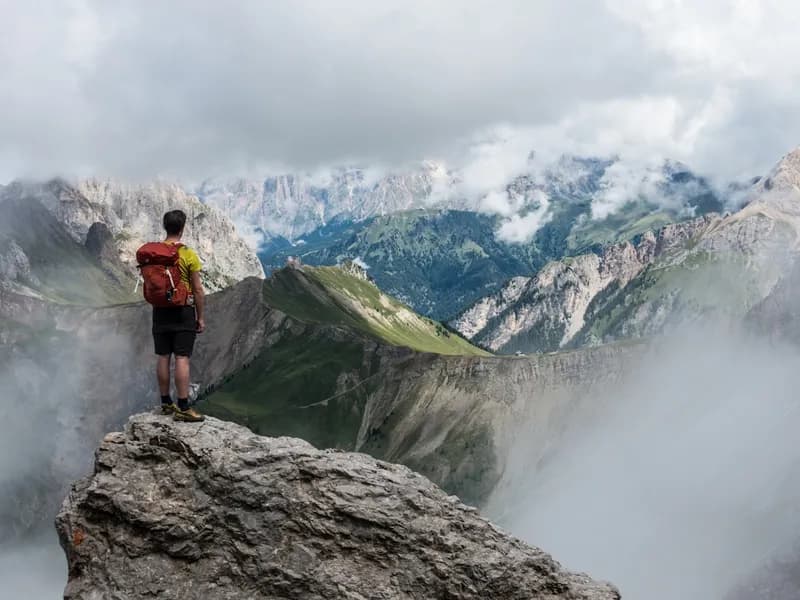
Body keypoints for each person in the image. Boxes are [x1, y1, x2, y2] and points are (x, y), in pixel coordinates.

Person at [152, 209, 206, 422]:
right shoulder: (188, 254)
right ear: (182, 229)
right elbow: (198, 289)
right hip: (183, 310)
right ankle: (183, 406)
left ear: (165, 227)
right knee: (182, 358)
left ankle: (165, 403)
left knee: (163, 356)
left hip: (160, 311)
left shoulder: (154, 254)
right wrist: (200, 318)